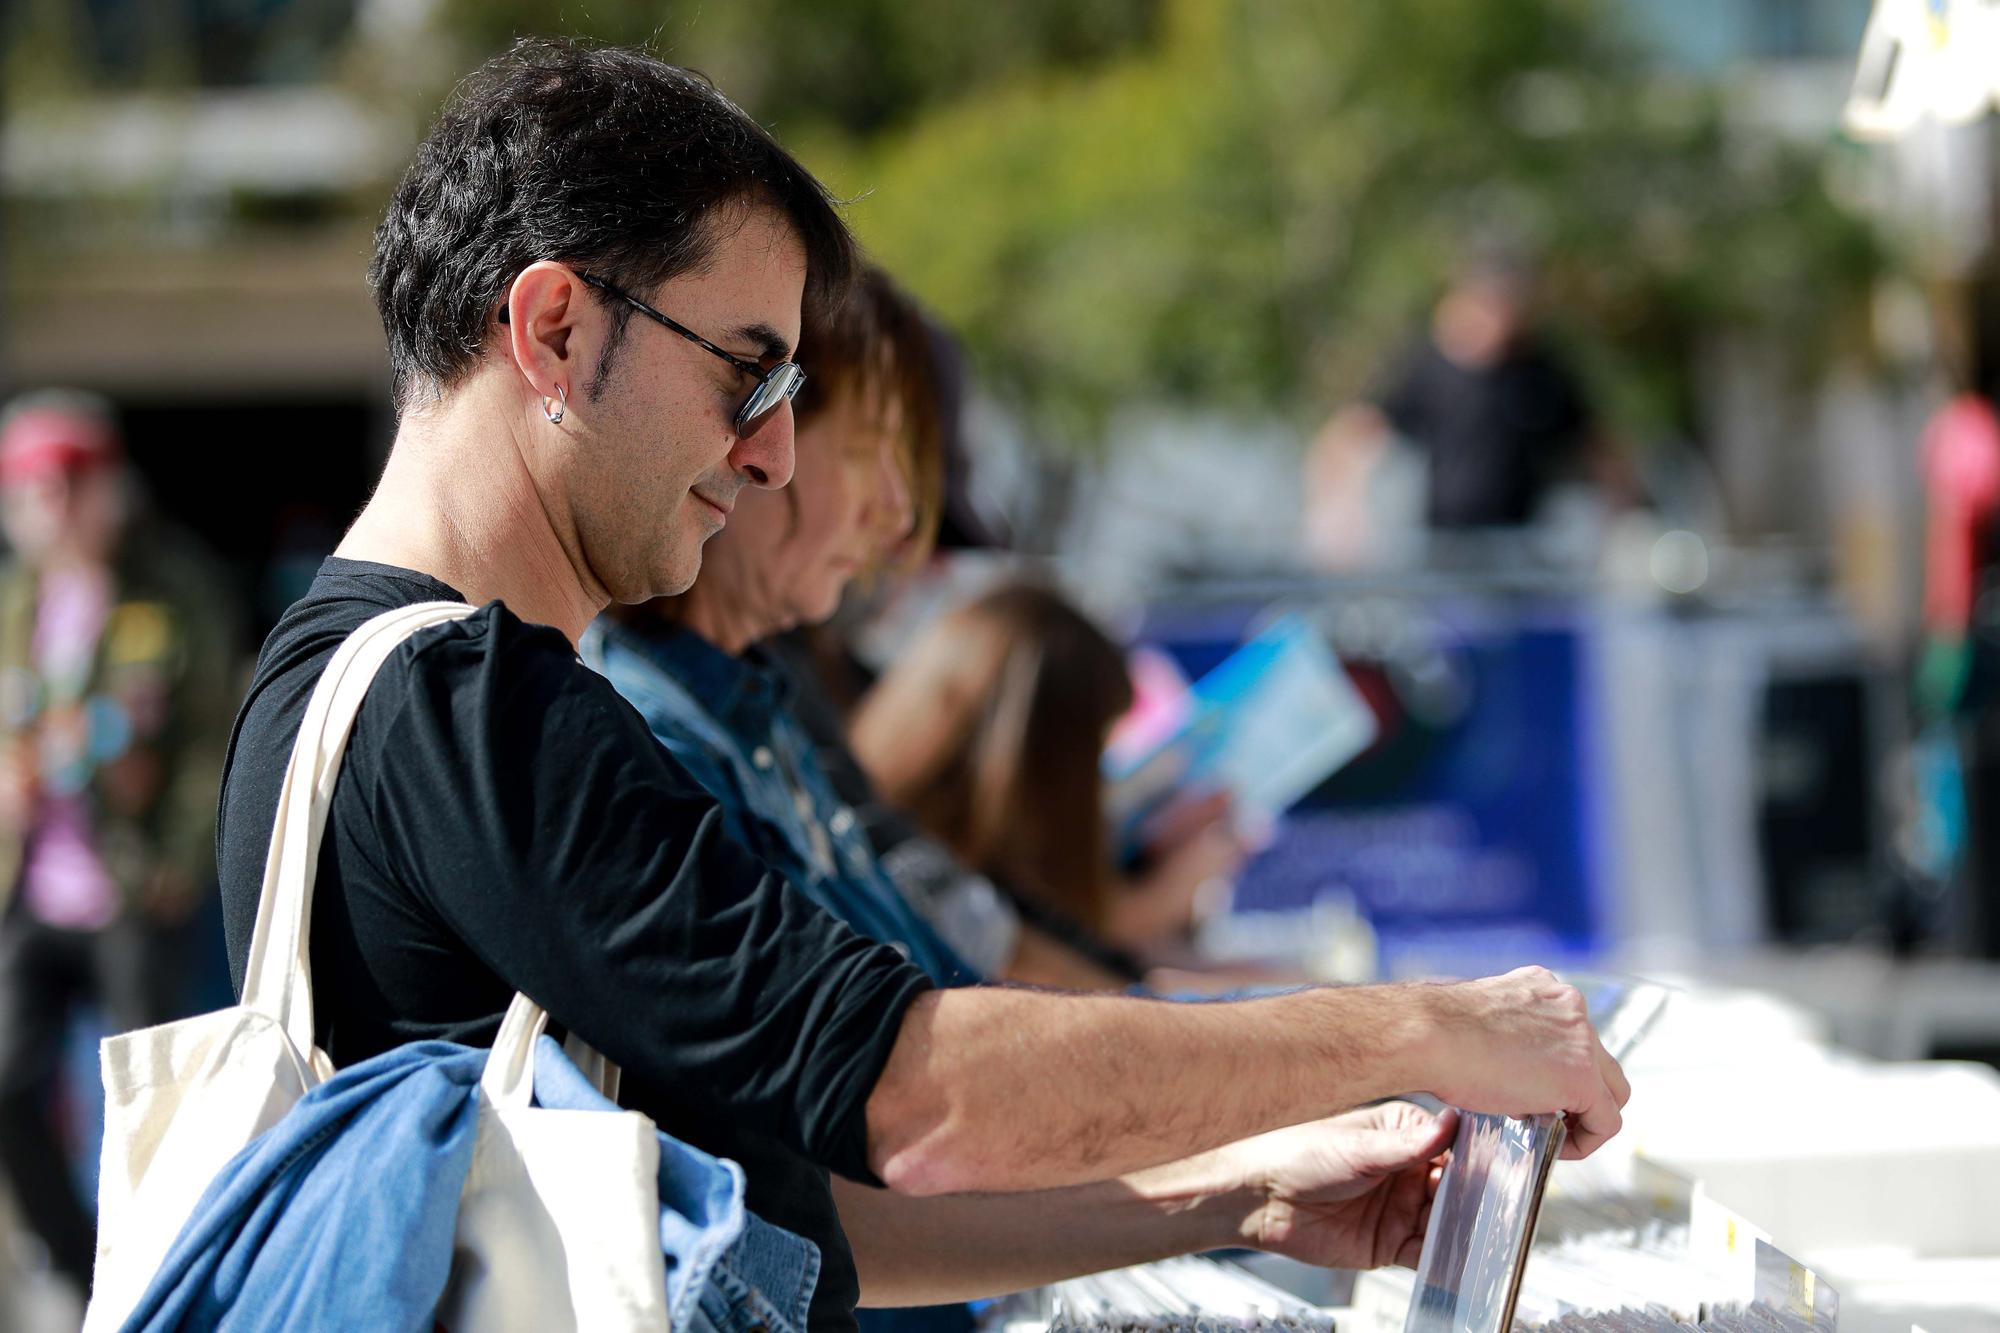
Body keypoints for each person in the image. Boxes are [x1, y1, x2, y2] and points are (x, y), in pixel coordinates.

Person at [214, 41, 1629, 1332]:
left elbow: (788, 1220)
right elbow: (918, 1091)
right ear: (555, 331)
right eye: (750, 379)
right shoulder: (468, 702)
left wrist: (1242, 1198)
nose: (775, 458)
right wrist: (1420, 1030)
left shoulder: (364, 681)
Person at [584, 263, 1130, 989]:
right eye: (869, 449)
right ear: (753, 439)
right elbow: (875, 1047)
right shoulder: (654, 734)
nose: (899, 518)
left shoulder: (760, 712)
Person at [0, 392, 239, 1301]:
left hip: (136, 883)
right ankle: (72, 1261)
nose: (52, 511)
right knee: (9, 1076)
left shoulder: (170, 586)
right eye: (32, 492)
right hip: (35, 883)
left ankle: (151, 1266)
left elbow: (213, 732)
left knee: (147, 1095)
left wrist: (182, 854)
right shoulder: (19, 600)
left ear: (109, 487)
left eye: (70, 485)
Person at [850, 581, 1242, 974]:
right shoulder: (936, 895)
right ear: (1044, 764)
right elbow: (1096, 982)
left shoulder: (854, 830)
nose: (1098, 783)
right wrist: (1160, 901)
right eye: (1094, 755)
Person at [1304, 252, 1628, 565]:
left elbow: (1598, 447)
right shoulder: (1424, 367)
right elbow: (1352, 431)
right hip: (1443, 549)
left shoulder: (1540, 371)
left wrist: (1624, 520)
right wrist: (1339, 507)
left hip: (1520, 550)